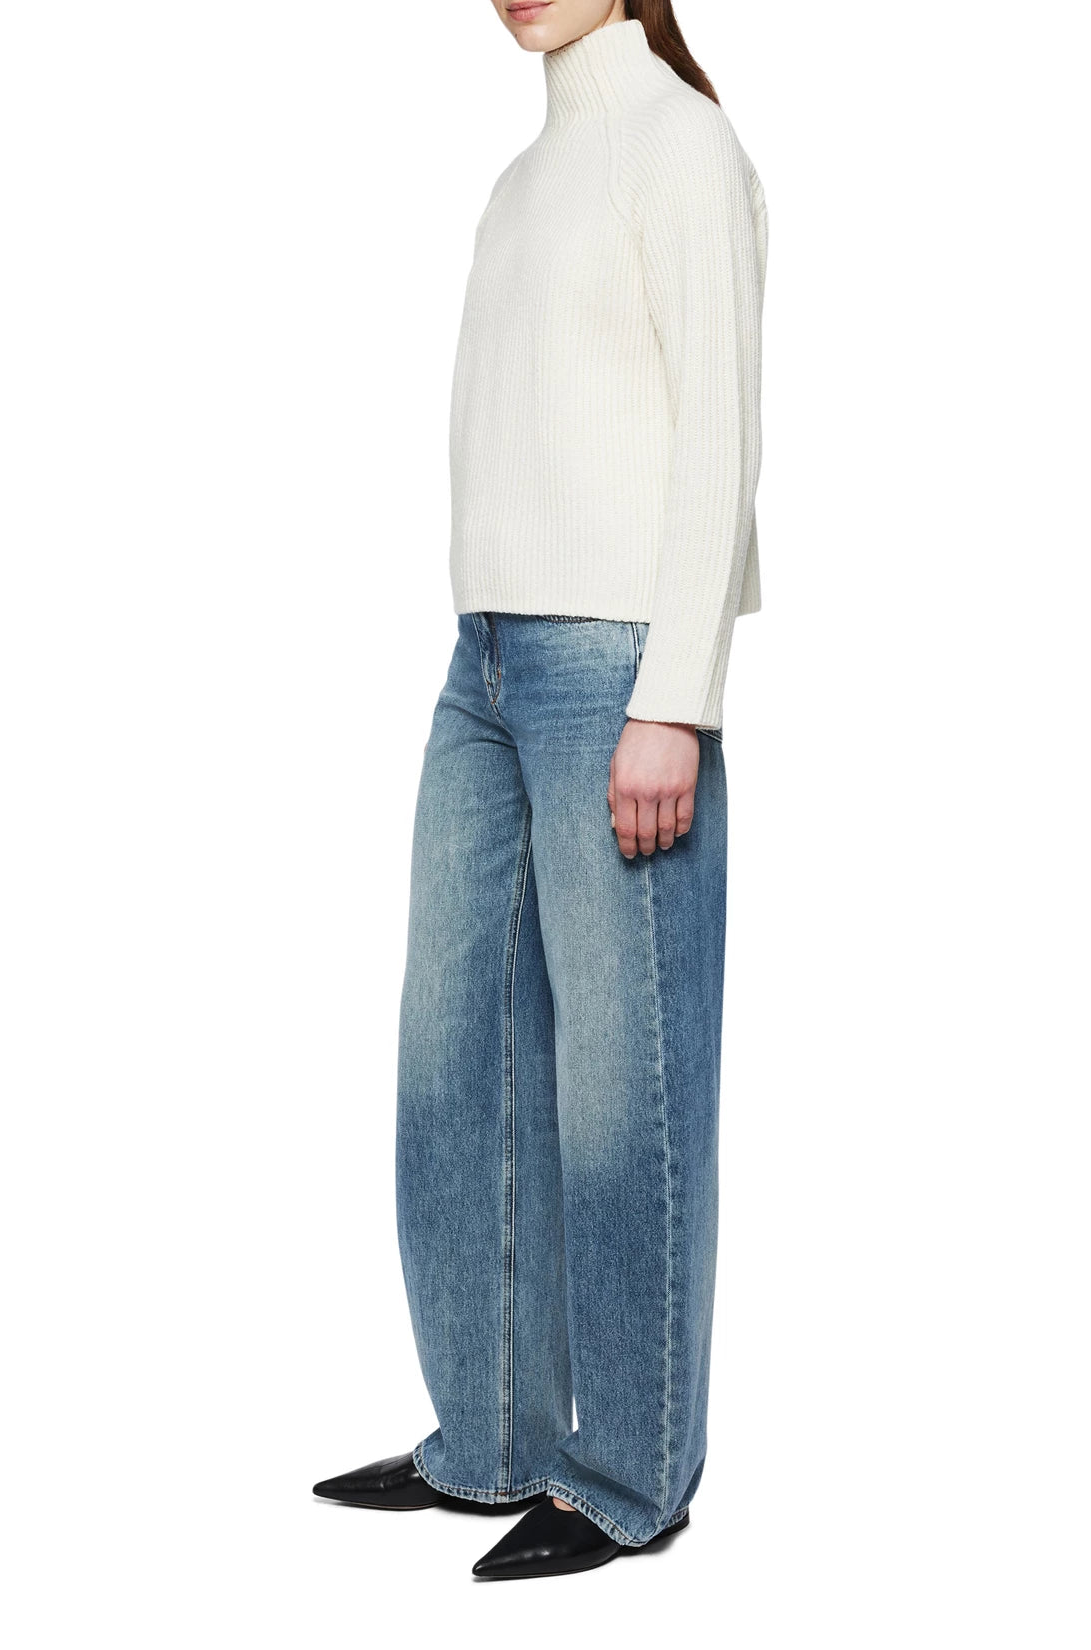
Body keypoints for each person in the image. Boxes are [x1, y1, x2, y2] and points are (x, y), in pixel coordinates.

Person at [313, 0, 768, 1581]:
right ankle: (493, 1432)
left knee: (627, 1088)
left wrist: (676, 697)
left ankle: (629, 1470)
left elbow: (718, 434)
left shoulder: (684, 146)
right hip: (486, 661)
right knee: (454, 1058)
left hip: (618, 665)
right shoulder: (519, 185)